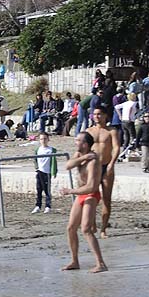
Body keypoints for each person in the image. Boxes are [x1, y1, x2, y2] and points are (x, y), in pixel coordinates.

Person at [61, 132, 108, 273]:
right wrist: (84, 157)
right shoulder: (80, 155)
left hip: (91, 195)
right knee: (70, 228)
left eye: (78, 140)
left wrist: (71, 191)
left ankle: (101, 263)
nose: (75, 142)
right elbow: (68, 165)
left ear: (85, 144)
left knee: (86, 229)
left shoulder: (93, 162)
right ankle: (75, 261)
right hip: (81, 195)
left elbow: (92, 186)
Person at [86, 107, 121, 237]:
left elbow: (117, 147)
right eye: (94, 114)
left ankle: (103, 229)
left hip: (106, 166)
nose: (97, 116)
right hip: (93, 168)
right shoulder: (89, 131)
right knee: (91, 198)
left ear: (105, 115)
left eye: (99, 114)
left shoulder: (111, 131)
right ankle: (93, 225)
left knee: (106, 199)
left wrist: (112, 163)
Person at [32, 133, 57, 214]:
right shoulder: (38, 150)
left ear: (48, 139)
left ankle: (48, 206)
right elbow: (35, 159)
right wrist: (36, 168)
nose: (43, 140)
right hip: (40, 171)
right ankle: (38, 206)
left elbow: (54, 161)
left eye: (45, 139)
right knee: (39, 189)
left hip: (47, 172)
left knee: (47, 190)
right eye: (41, 139)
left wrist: (54, 171)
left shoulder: (51, 150)